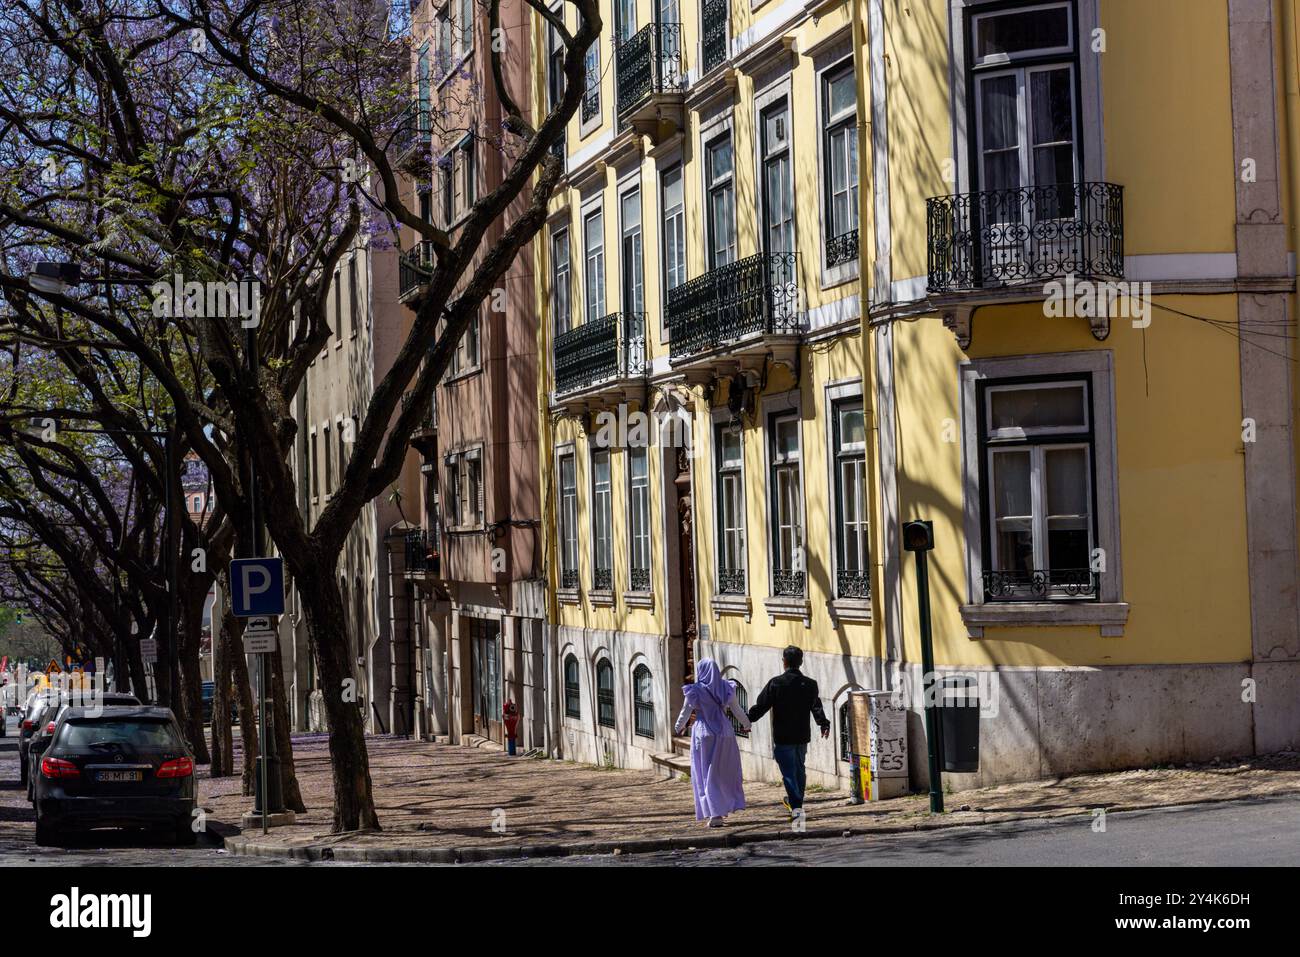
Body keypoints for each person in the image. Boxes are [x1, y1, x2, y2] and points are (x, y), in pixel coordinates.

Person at [747, 646, 829, 817]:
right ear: (801, 662)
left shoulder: (776, 683)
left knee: (789, 773)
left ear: (784, 662)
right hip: (801, 736)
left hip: (783, 737)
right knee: (799, 770)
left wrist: (748, 720)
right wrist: (823, 724)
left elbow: (762, 705)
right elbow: (816, 706)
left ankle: (797, 808)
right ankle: (796, 801)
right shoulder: (810, 684)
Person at [673, 658, 750, 827]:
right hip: (724, 732)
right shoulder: (726, 687)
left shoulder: (695, 690)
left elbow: (686, 711)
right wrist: (746, 724)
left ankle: (714, 814)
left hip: (703, 734)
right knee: (722, 772)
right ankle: (723, 807)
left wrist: (678, 727)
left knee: (705, 773)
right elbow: (736, 709)